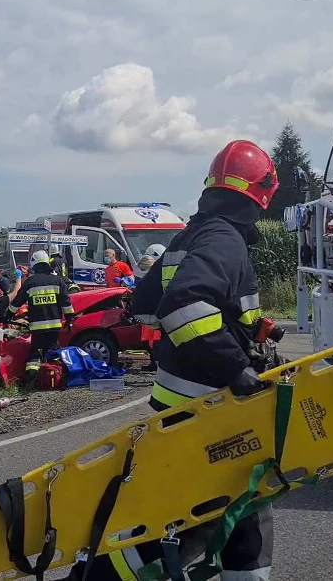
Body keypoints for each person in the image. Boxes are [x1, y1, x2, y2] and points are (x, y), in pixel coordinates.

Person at [67, 139, 279, 581]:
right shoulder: (224, 238)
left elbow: (146, 304)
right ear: (262, 193)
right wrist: (234, 367)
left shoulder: (191, 234)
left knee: (237, 510)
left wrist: (241, 327)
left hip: (178, 399)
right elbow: (184, 305)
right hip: (211, 404)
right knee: (206, 513)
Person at [7, 250, 75, 386]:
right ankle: (55, 378)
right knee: (52, 350)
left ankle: (32, 378)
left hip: (37, 327)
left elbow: (17, 301)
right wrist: (69, 320)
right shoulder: (58, 281)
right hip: (55, 325)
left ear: (35, 265)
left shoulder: (30, 282)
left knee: (34, 353)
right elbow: (66, 303)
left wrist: (8, 315)